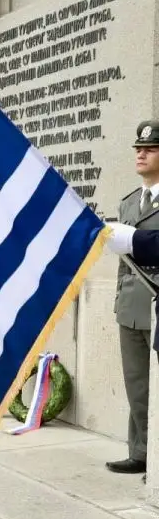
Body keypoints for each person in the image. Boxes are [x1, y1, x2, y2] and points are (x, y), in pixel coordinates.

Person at [107, 121, 159, 477]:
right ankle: (140, 452)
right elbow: (123, 263)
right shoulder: (128, 202)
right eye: (138, 149)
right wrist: (118, 299)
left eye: (150, 149)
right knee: (137, 384)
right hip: (130, 307)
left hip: (155, 304)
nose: (141, 154)